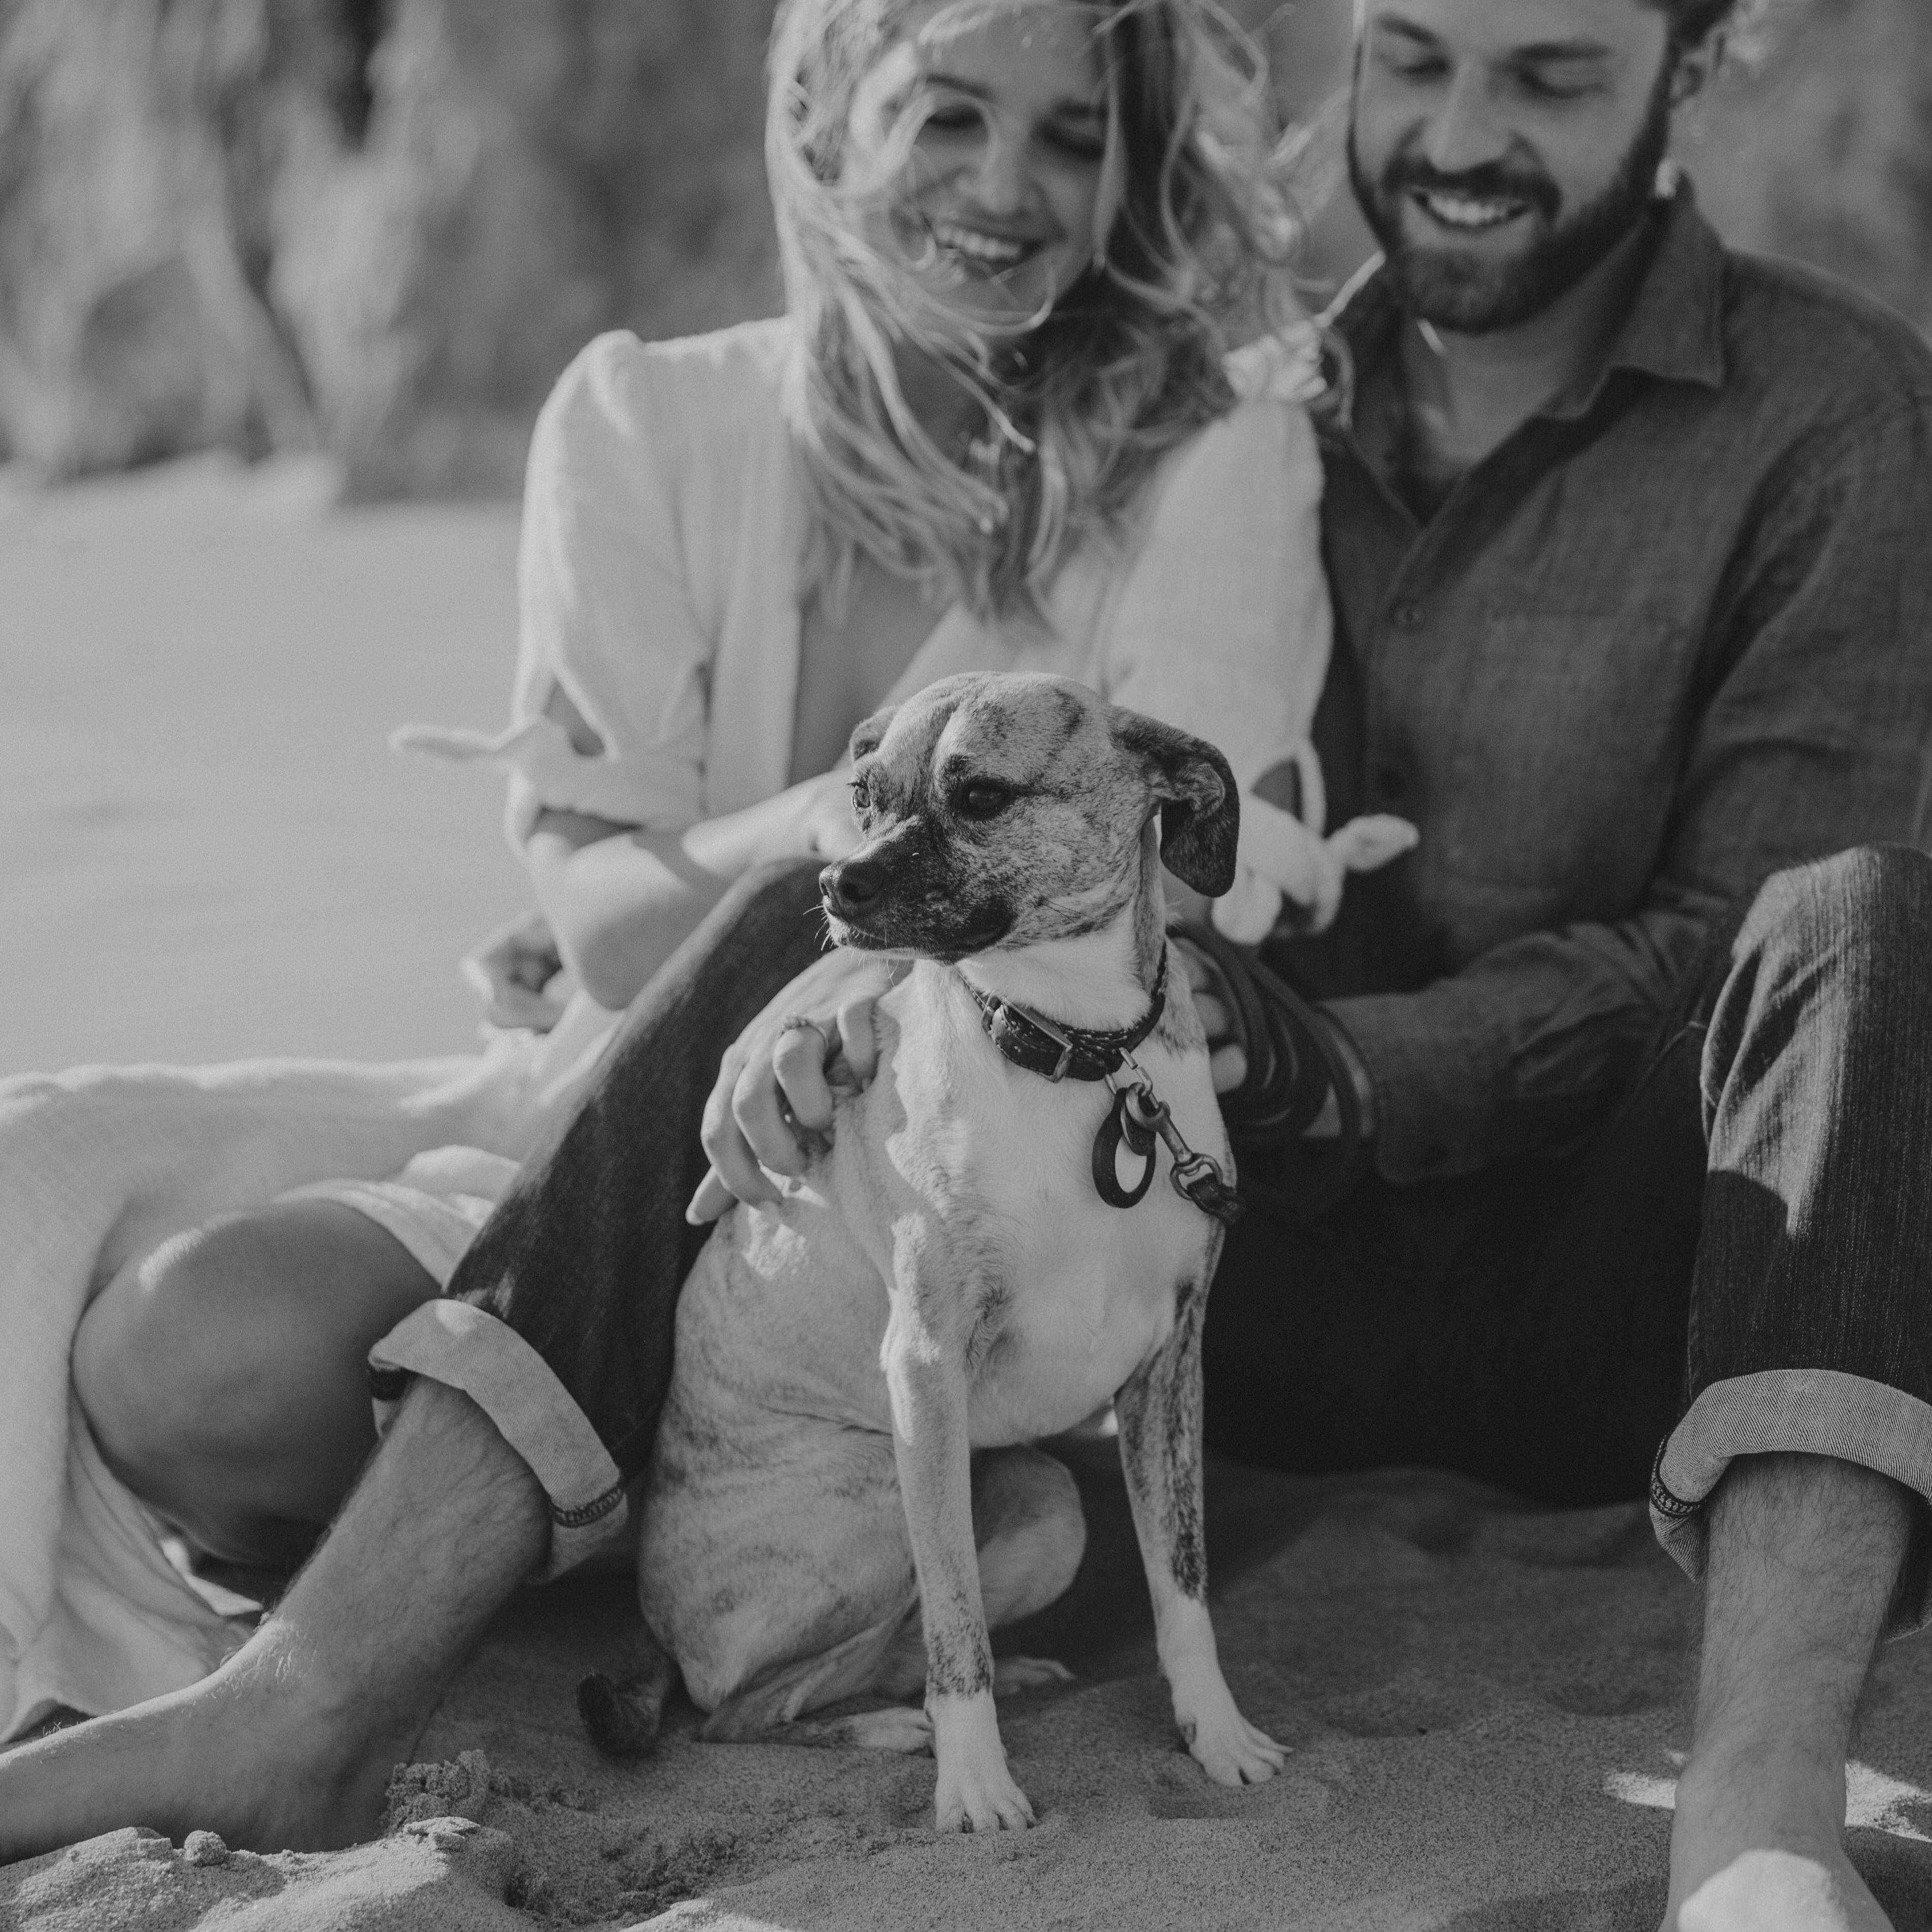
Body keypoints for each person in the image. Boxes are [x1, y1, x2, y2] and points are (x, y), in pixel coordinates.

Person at [6, 2, 1929, 1929]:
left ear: (1693, 73)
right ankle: (315, 1696)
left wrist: (1342, 1069)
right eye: (1416, 57)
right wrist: (799, 982)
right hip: (1212, 1264)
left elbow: (1720, 951)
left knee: (1871, 920)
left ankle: (1754, 1818)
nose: (1458, 129)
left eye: (1552, 75)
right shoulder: (1263, 404)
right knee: (880, 867)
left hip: (1621, 1270)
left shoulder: (1833, 412)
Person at [0, 0, 1369, 1863]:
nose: (1006, 187)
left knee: (775, 960)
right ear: (819, 115)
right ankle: (684, 1509)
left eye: (1070, 136)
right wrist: (822, 864)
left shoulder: (1204, 464)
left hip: (983, 1177)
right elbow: (606, 918)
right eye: (948, 112)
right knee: (183, 1353)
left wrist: (840, 953)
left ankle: (321, 1690)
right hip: (611, 1120)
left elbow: (1188, 893)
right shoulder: (646, 418)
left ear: (1131, 170)